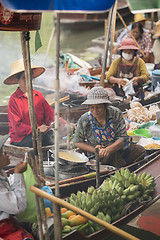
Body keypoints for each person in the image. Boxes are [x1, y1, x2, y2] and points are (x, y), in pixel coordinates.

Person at [73, 87, 146, 168]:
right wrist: (95, 150)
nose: (95, 110)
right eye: (92, 107)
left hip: (120, 148)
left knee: (140, 151)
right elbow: (77, 141)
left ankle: (125, 165)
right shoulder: (85, 120)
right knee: (113, 157)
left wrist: (108, 149)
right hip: (99, 155)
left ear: (106, 105)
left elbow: (123, 137)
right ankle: (118, 169)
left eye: (98, 107)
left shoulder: (115, 113)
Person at [4, 59, 69, 148]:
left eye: (29, 76)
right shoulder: (14, 100)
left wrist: (65, 125)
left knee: (53, 136)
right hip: (21, 138)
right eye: (24, 77)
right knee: (42, 138)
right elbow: (17, 126)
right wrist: (36, 129)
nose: (28, 80)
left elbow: (51, 115)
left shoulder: (38, 95)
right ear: (17, 79)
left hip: (39, 134)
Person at [0, 135, 34, 240]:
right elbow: (18, 207)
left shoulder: (1, 172)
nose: (6, 154)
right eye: (1, 152)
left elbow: (8, 185)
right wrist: (18, 173)